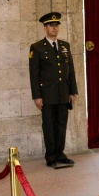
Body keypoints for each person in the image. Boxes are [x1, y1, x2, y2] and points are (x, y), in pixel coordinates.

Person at [29, 12, 78, 169]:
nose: (55, 28)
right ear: (45, 28)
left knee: (61, 124)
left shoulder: (65, 46)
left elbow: (70, 71)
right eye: (51, 25)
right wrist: (37, 96)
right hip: (47, 95)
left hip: (63, 94)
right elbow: (34, 74)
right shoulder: (36, 48)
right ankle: (51, 155)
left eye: (57, 25)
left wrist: (73, 91)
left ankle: (60, 153)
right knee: (49, 126)